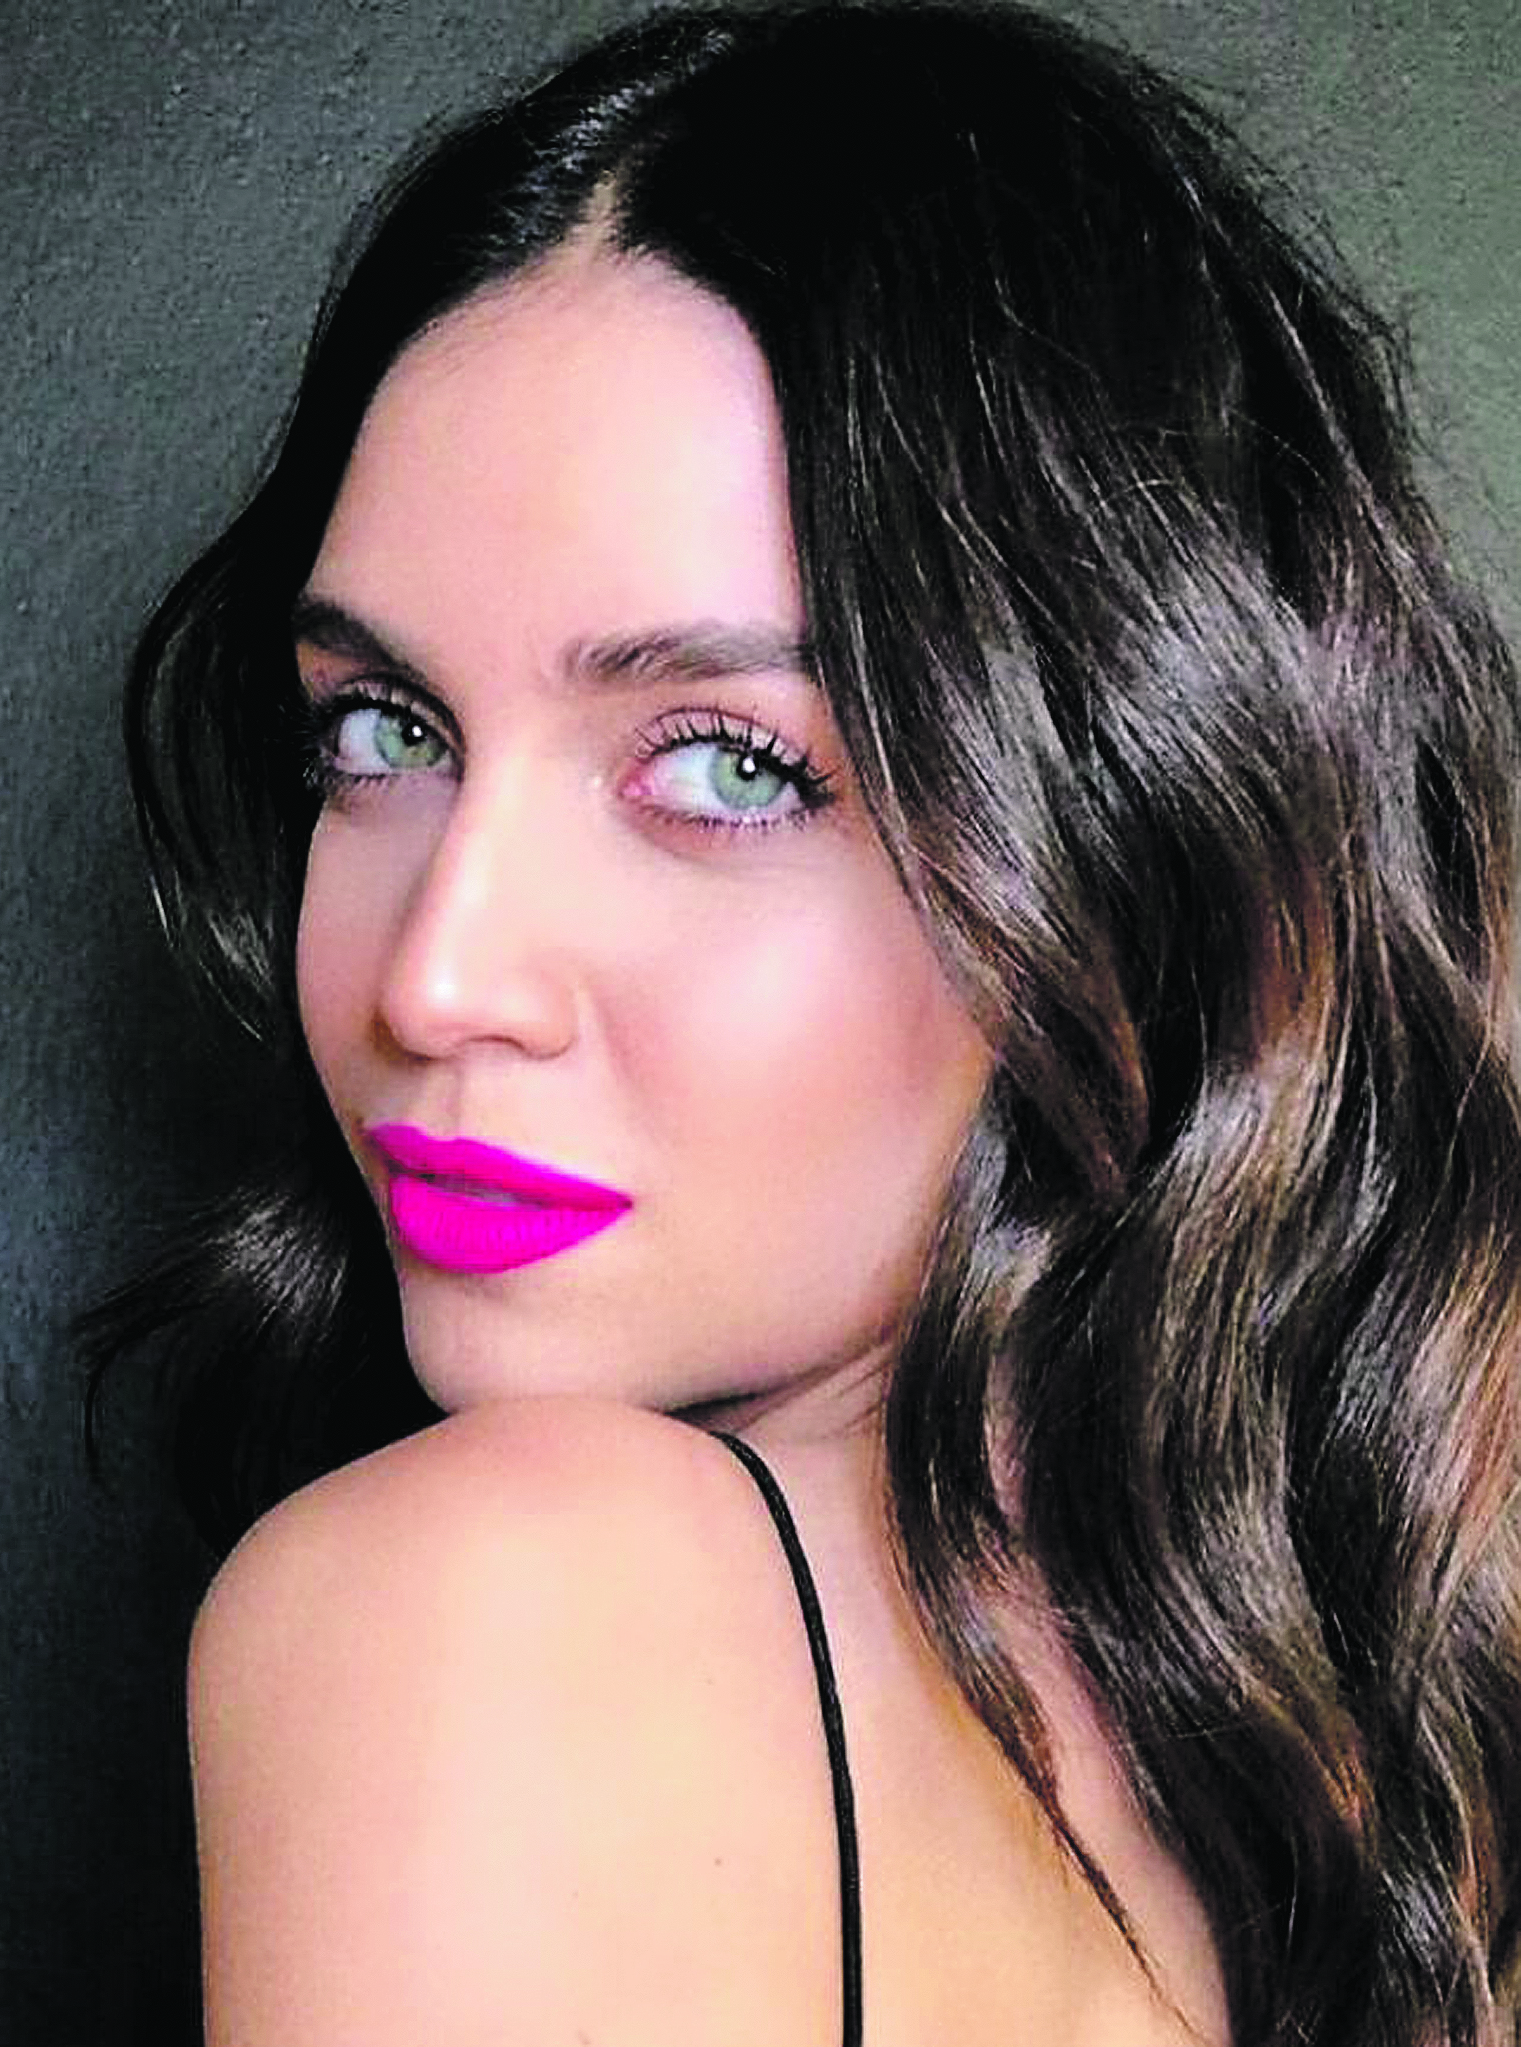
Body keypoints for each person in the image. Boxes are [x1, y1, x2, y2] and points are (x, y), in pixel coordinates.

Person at [89, 4, 1521, 2040]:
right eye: (383, 731)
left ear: (1125, 840)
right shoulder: (1367, 1774)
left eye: (726, 765)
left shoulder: (490, 1614)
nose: (434, 975)